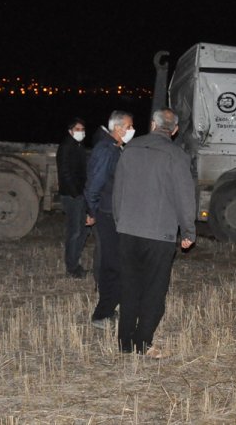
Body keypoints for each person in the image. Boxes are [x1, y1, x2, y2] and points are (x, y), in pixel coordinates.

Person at [113, 108, 195, 358]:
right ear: (175, 130)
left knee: (129, 287)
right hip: (159, 235)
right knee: (154, 290)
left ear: (151, 124)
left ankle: (125, 342)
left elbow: (118, 190)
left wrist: (120, 221)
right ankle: (142, 342)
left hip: (128, 231)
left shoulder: (130, 149)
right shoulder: (177, 156)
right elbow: (185, 198)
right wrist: (188, 230)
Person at [84, 110, 135, 329]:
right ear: (118, 128)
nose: (132, 130)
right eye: (130, 126)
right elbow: (94, 185)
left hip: (111, 213)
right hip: (107, 214)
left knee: (113, 263)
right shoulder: (106, 150)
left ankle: (108, 309)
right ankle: (101, 315)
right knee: (111, 265)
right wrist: (93, 212)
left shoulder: (113, 148)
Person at [57, 117, 89, 278]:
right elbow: (65, 173)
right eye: (77, 129)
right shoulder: (66, 147)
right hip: (71, 196)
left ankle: (75, 262)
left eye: (82, 129)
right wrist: (76, 194)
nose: (81, 132)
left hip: (79, 194)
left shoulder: (78, 146)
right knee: (74, 231)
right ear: (70, 131)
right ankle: (72, 266)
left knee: (81, 230)